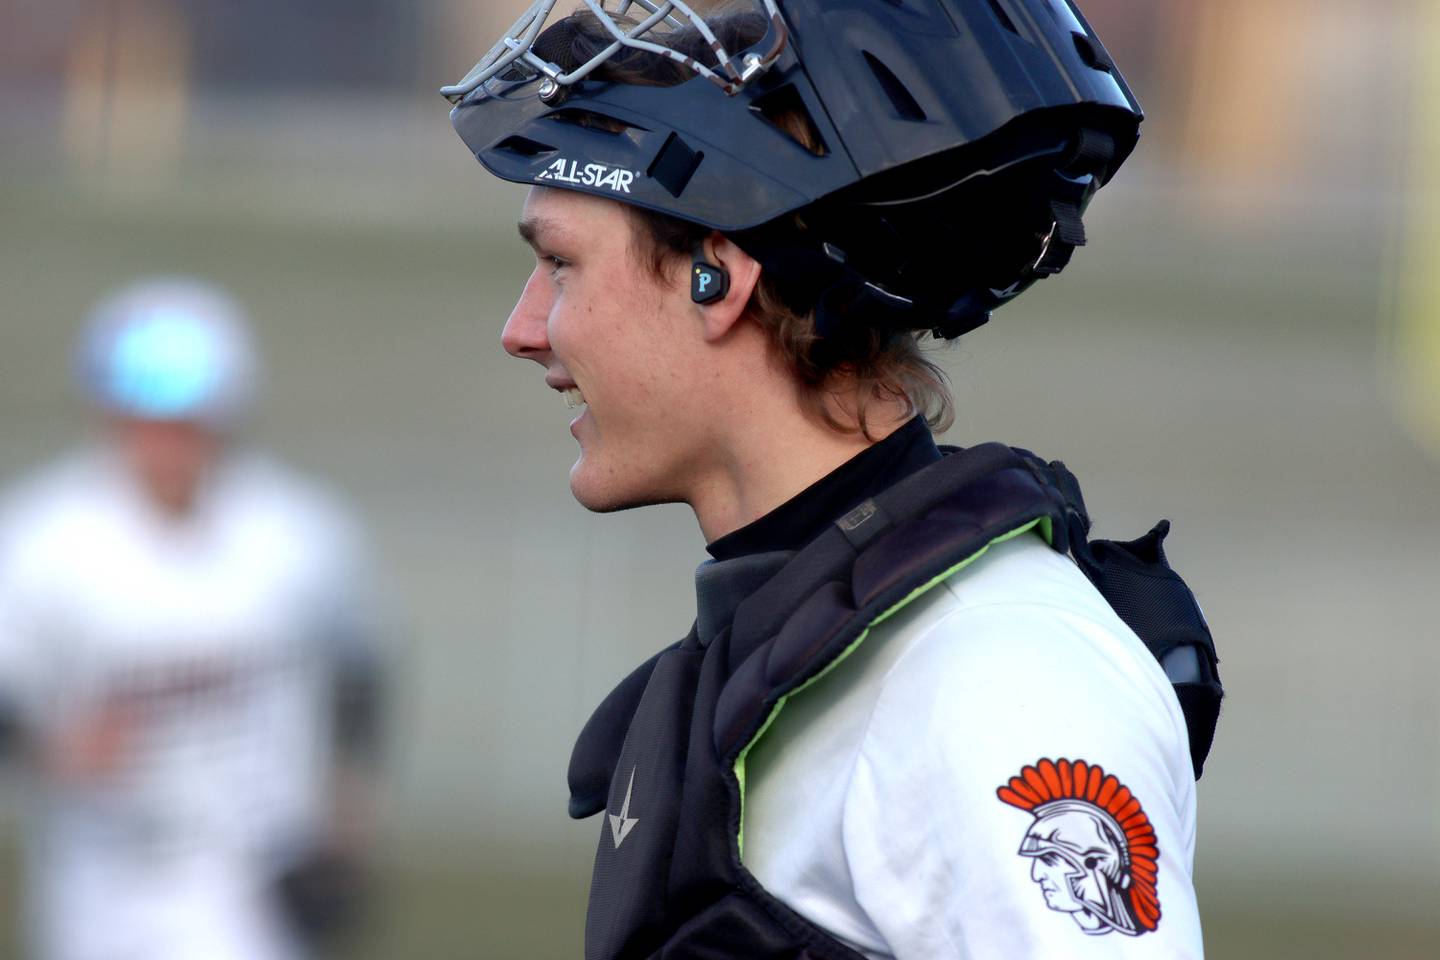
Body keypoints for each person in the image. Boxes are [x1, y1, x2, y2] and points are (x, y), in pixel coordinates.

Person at [441, 2, 1220, 957]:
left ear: (715, 276)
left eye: (559, 263)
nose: (523, 331)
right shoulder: (800, 643)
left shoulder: (995, 676)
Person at [0, 278, 384, 960]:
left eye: (187, 422)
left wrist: (347, 810)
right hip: (94, 872)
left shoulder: (297, 536)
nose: (165, 444)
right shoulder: (41, 539)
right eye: (142, 419)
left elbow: (361, 672)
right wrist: (51, 747)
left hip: (250, 875)